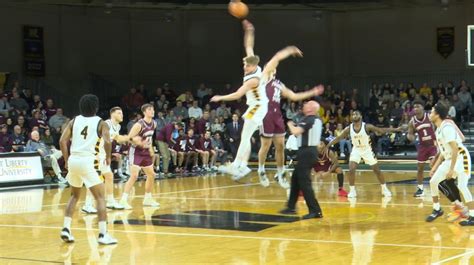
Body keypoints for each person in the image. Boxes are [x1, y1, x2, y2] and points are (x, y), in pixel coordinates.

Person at [211, 19, 303, 180]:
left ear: (253, 67)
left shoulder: (254, 79)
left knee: (245, 136)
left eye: (246, 66)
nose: (244, 67)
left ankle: (237, 165)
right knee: (245, 136)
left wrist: (220, 97)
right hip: (257, 106)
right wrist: (249, 31)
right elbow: (249, 47)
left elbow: (237, 95)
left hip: (259, 107)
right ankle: (243, 165)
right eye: (244, 64)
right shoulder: (252, 63)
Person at [59, 94, 117, 244]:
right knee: (100, 198)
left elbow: (62, 141)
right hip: (88, 161)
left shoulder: (74, 120)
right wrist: (109, 157)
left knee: (74, 196)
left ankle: (66, 228)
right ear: (96, 107)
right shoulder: (101, 122)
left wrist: (66, 160)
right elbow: (108, 140)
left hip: (73, 160)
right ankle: (103, 235)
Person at [257, 72, 324, 188]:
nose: (273, 70)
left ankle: (280, 173)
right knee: (266, 145)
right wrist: (287, 52)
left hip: (276, 115)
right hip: (265, 114)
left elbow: (293, 96)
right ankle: (261, 170)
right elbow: (273, 61)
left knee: (280, 146)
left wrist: (312, 92)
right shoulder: (263, 80)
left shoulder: (278, 84)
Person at [325, 110, 399, 198]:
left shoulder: (367, 126)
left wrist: (396, 129)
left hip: (367, 149)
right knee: (351, 169)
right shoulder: (348, 128)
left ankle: (384, 188)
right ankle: (352, 191)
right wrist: (328, 144)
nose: (354, 115)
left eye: (356, 114)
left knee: (377, 170)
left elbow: (381, 130)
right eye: (353, 114)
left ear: (361, 116)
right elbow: (339, 137)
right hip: (356, 149)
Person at [426, 103, 474, 226]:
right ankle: (437, 209)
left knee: (462, 186)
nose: (429, 114)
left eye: (431, 112)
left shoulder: (447, 127)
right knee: (433, 181)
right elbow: (443, 153)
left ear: (437, 115)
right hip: (450, 158)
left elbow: (455, 149)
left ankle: (473, 216)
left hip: (460, 157)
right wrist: (435, 168)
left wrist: (451, 169)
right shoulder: (439, 129)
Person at [279, 101, 323, 219]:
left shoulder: (309, 119)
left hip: (307, 152)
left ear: (311, 109)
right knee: (295, 179)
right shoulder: (317, 120)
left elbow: (295, 132)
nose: (304, 106)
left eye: (307, 105)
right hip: (309, 151)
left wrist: (289, 123)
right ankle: (291, 207)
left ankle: (315, 210)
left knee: (304, 182)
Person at [82, 107, 129, 213]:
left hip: (103, 155)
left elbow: (117, 138)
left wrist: (132, 138)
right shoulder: (106, 124)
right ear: (112, 114)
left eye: (122, 113)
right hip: (96, 154)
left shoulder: (117, 126)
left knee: (109, 176)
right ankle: (87, 204)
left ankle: (110, 201)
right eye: (119, 113)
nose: (122, 115)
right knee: (95, 178)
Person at [119, 103, 160, 209]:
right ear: (144, 112)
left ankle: (147, 198)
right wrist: (140, 143)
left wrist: (151, 149)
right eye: (150, 110)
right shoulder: (139, 125)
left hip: (146, 152)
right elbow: (129, 138)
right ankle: (123, 200)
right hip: (136, 151)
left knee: (151, 175)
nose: (152, 111)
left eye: (153, 109)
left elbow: (149, 138)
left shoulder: (154, 123)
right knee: (134, 176)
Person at [407, 101, 438, 197]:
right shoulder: (412, 121)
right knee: (420, 168)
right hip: (422, 146)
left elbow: (438, 126)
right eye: (414, 107)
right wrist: (412, 138)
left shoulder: (430, 116)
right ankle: (420, 189)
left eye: (418, 106)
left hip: (433, 145)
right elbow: (410, 134)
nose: (415, 108)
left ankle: (438, 186)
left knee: (434, 166)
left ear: (423, 107)